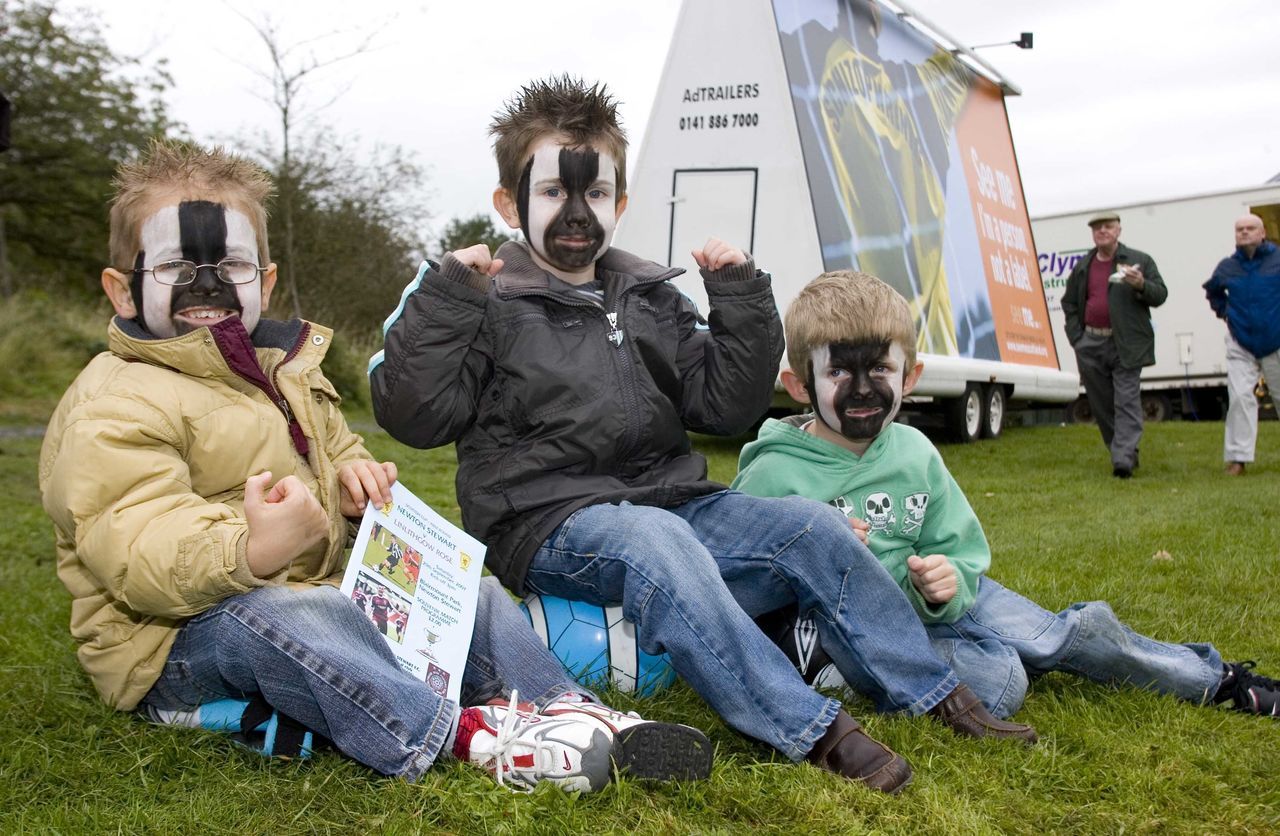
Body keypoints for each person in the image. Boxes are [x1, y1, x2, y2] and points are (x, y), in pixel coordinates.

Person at [371, 75, 1037, 796]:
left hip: (671, 499)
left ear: (619, 204)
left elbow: (725, 405)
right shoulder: (480, 298)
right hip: (548, 522)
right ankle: (811, 729)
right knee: (657, 545)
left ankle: (935, 692)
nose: (576, 211)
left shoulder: (649, 296)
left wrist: (742, 301)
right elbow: (414, 415)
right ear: (509, 203)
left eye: (595, 194)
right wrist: (445, 302)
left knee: (810, 528)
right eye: (553, 192)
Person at [39, 141, 714, 793]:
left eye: (233, 265)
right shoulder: (115, 400)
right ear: (122, 291)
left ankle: (574, 712)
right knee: (290, 618)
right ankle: (466, 736)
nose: (208, 282)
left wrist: (354, 477)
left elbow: (336, 449)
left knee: (470, 594)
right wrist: (248, 549)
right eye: (175, 267)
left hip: (317, 590)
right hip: (174, 643)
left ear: (265, 282)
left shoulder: (285, 372)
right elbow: (131, 548)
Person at [732, 270, 1280, 720]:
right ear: (800, 385)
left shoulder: (915, 452)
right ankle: (839, 674)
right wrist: (808, 547)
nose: (863, 388)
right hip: (864, 631)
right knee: (1000, 685)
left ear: (912, 376)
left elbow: (959, 546)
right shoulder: (774, 473)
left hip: (946, 606)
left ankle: (1218, 679)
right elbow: (736, 580)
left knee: (1069, 633)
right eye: (839, 371)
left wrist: (947, 578)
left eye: (880, 368)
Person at [1060, 211, 1167, 478]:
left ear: (1119, 230)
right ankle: (1124, 451)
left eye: (1108, 227)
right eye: (1097, 228)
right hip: (1090, 343)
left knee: (1126, 401)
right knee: (1101, 405)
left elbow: (1160, 294)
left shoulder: (1139, 261)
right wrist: (1077, 337)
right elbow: (1069, 303)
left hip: (1126, 344)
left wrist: (1141, 284)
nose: (1102, 232)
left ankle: (1122, 461)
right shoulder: (1083, 265)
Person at [1203, 213, 1280, 476]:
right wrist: (1225, 312)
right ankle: (1238, 459)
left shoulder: (1277, 260)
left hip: (1276, 340)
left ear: (1262, 234)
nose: (1244, 233)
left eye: (1250, 228)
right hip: (1241, 343)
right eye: (1239, 229)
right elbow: (1212, 292)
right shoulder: (1227, 267)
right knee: (1239, 399)